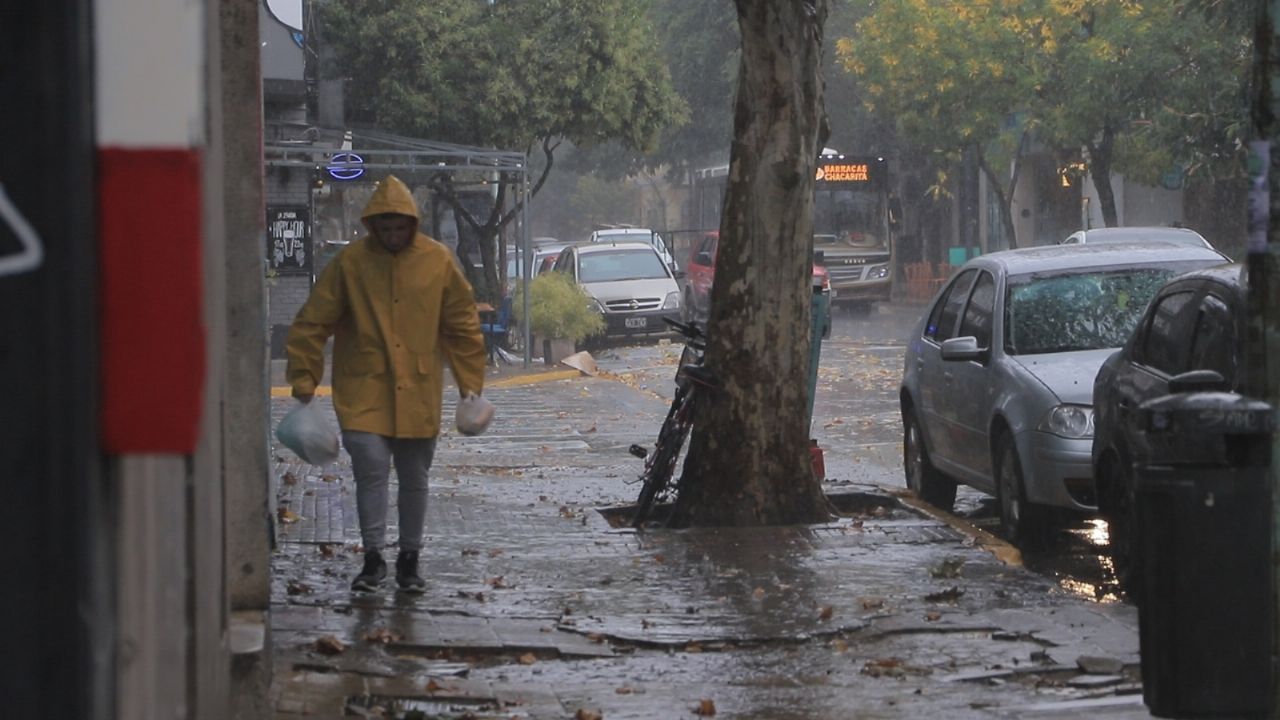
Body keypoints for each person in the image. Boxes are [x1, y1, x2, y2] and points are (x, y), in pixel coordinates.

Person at [285, 175, 486, 593]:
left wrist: (471, 384)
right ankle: (373, 557)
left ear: (412, 224)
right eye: (385, 228)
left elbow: (462, 326)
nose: (393, 235)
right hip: (363, 389)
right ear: (372, 226)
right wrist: (304, 379)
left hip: (418, 388)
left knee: (415, 477)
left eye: (399, 228)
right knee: (370, 471)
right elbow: (312, 322)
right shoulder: (350, 264)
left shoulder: (438, 261)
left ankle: (409, 558)